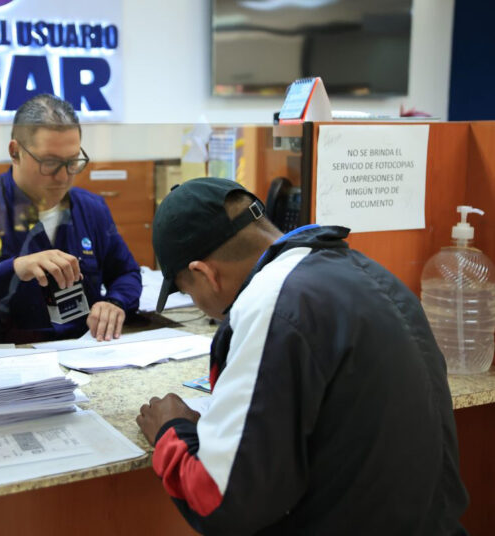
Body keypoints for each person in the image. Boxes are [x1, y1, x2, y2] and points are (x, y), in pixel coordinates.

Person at [136, 177, 469, 535]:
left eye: (188, 292)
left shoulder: (271, 303)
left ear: (204, 273)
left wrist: (171, 430)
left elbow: (223, 501)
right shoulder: (368, 272)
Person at [0, 94, 141, 343]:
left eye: (72, 162)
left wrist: (115, 302)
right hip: (8, 355)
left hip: (86, 350)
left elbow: (127, 273)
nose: (63, 177)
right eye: (49, 162)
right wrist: (13, 270)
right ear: (15, 152)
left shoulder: (91, 209)